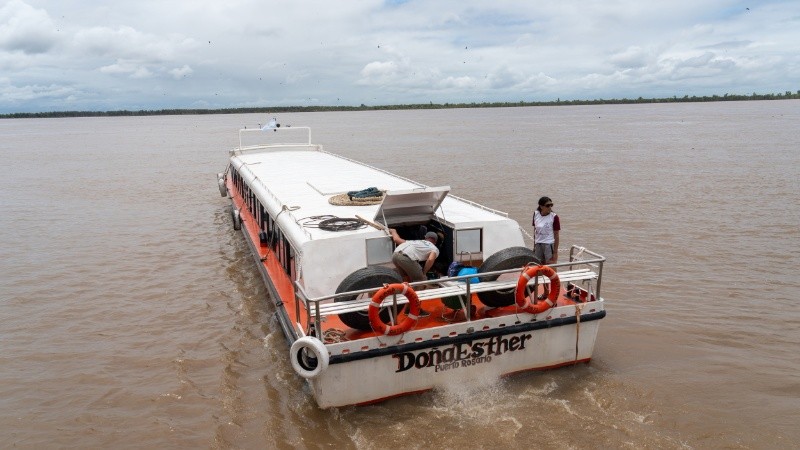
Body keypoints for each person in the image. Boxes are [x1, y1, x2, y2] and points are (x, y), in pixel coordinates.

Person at [388, 228, 440, 316]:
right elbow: (431, 259)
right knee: (421, 281)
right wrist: (424, 272)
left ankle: (404, 303)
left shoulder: (414, 241)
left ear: (425, 238)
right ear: (435, 242)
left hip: (395, 256)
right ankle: (414, 309)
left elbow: (396, 239)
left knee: (407, 281)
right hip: (406, 258)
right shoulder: (434, 248)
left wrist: (393, 231)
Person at [532, 196, 560, 264]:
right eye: (547, 205)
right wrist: (534, 246)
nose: (550, 207)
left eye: (551, 205)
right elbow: (535, 231)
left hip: (549, 245)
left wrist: (555, 252)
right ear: (541, 206)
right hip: (538, 244)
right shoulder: (536, 214)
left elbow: (556, 235)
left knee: (551, 266)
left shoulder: (554, 217)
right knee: (538, 264)